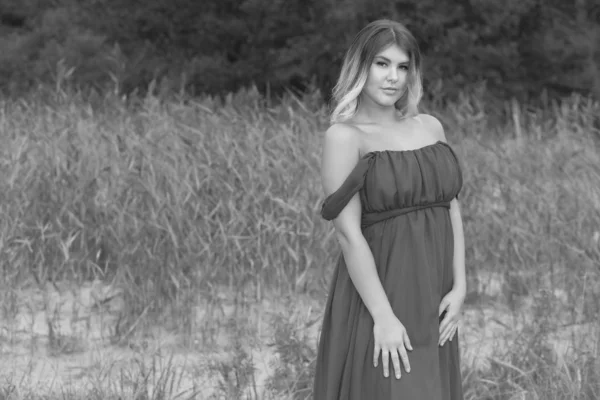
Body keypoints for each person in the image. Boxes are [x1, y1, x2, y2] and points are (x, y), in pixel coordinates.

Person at [313, 19, 466, 400]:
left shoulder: (430, 127)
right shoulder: (345, 137)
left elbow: (451, 207)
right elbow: (349, 236)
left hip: (435, 292)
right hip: (381, 294)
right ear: (360, 66)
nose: (392, 77)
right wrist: (383, 317)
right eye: (382, 64)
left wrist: (461, 286)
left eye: (403, 67)